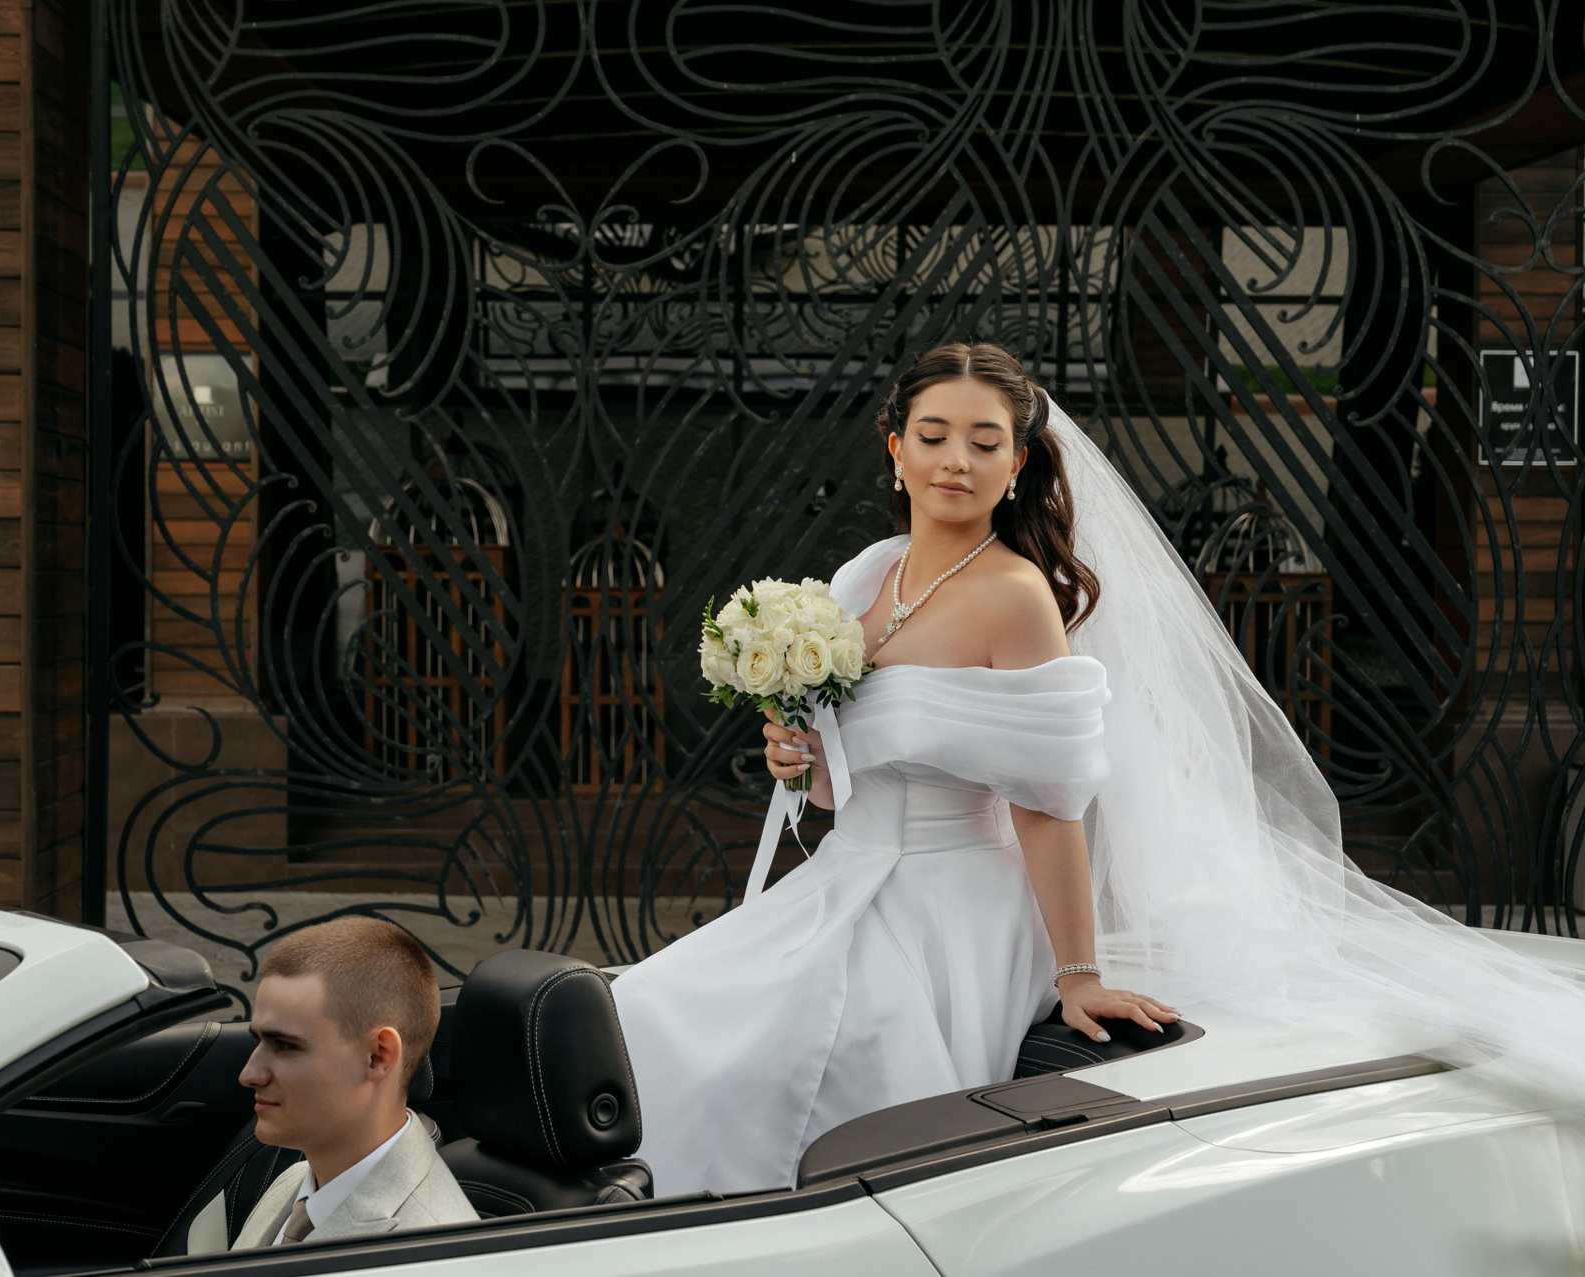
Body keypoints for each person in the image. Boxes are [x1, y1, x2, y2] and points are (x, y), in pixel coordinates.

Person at [614, 339, 1585, 1198]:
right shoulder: (863, 577)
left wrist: (1077, 975)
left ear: (1017, 463)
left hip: (953, 907)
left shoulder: (1015, 596)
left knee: (793, 1055)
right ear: (895, 447)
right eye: (935, 435)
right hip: (847, 878)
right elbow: (838, 782)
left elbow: (1048, 803)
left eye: (985, 441)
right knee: (654, 1010)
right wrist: (795, 753)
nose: (956, 460)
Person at [224, 917, 475, 1249]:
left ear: (378, 1056)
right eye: (258, 1041)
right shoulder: (296, 1182)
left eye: (284, 1045)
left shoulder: (429, 1255)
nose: (249, 1074)